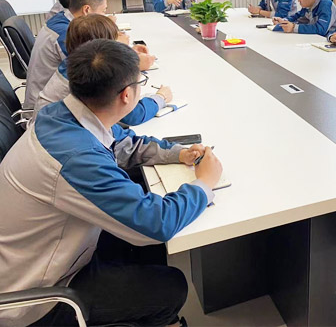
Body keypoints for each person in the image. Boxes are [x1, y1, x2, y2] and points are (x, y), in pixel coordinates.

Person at [0, 39, 222, 326]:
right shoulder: (76, 158)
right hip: (36, 294)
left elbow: (122, 142)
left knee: (147, 245)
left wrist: (177, 153)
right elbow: (158, 223)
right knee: (171, 287)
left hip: (42, 250)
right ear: (127, 95)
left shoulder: (63, 114)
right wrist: (204, 184)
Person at [34, 14, 173, 126]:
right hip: (58, 131)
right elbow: (133, 115)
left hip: (46, 126)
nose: (122, 36)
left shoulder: (75, 64)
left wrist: (127, 53)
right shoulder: (91, 75)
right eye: (116, 37)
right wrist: (160, 98)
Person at [24, 0, 112, 109]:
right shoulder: (65, 34)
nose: (105, 16)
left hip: (51, 99)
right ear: (87, 10)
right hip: (45, 110)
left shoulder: (63, 18)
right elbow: (96, 70)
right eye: (104, 11)